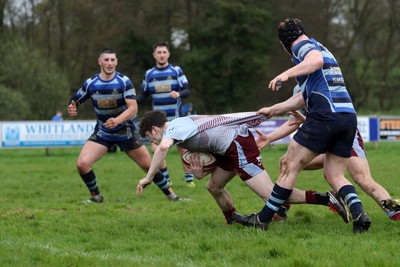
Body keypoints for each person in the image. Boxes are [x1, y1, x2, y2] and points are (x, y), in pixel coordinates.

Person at [233, 18, 371, 233]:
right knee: (334, 174)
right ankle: (360, 214)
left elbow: (314, 61)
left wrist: (286, 73)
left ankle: (262, 219)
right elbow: (303, 98)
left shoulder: (302, 46)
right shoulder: (323, 50)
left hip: (325, 116)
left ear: (284, 43)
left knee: (289, 166)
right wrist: (273, 109)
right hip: (347, 118)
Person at [135, 110, 349, 225]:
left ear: (154, 129)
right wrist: (201, 171)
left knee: (275, 196)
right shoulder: (181, 127)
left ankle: (325, 198)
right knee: (214, 186)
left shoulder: (173, 128)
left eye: (149, 137)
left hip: (237, 145)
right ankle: (232, 220)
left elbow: (162, 146)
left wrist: (149, 176)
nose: (152, 141)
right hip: (227, 149)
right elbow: (211, 147)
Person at [255, 86, 400, 221]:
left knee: (362, 179)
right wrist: (269, 138)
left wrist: (279, 111)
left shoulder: (324, 80)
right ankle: (283, 206)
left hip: (343, 136)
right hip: (324, 134)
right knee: (286, 162)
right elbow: (293, 122)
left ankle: (394, 213)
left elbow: (333, 119)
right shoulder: (299, 87)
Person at [67, 48, 188, 203]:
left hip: (125, 132)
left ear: (116, 62)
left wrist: (117, 120)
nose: (110, 63)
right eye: (106, 60)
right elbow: (76, 99)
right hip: (103, 132)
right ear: (100, 62)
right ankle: (96, 197)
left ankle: (173, 196)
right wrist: (72, 107)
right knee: (82, 164)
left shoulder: (124, 81)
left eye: (112, 60)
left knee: (149, 166)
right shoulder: (91, 83)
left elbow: (133, 108)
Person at [136, 42, 195, 187]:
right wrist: (131, 102)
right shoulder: (149, 74)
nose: (161, 55)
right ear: (154, 55)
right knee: (157, 149)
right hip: (157, 121)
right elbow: (144, 95)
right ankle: (167, 180)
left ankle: (189, 179)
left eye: (164, 52)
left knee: (183, 148)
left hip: (176, 118)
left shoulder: (176, 71)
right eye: (159, 52)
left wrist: (179, 93)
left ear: (168, 54)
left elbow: (187, 90)